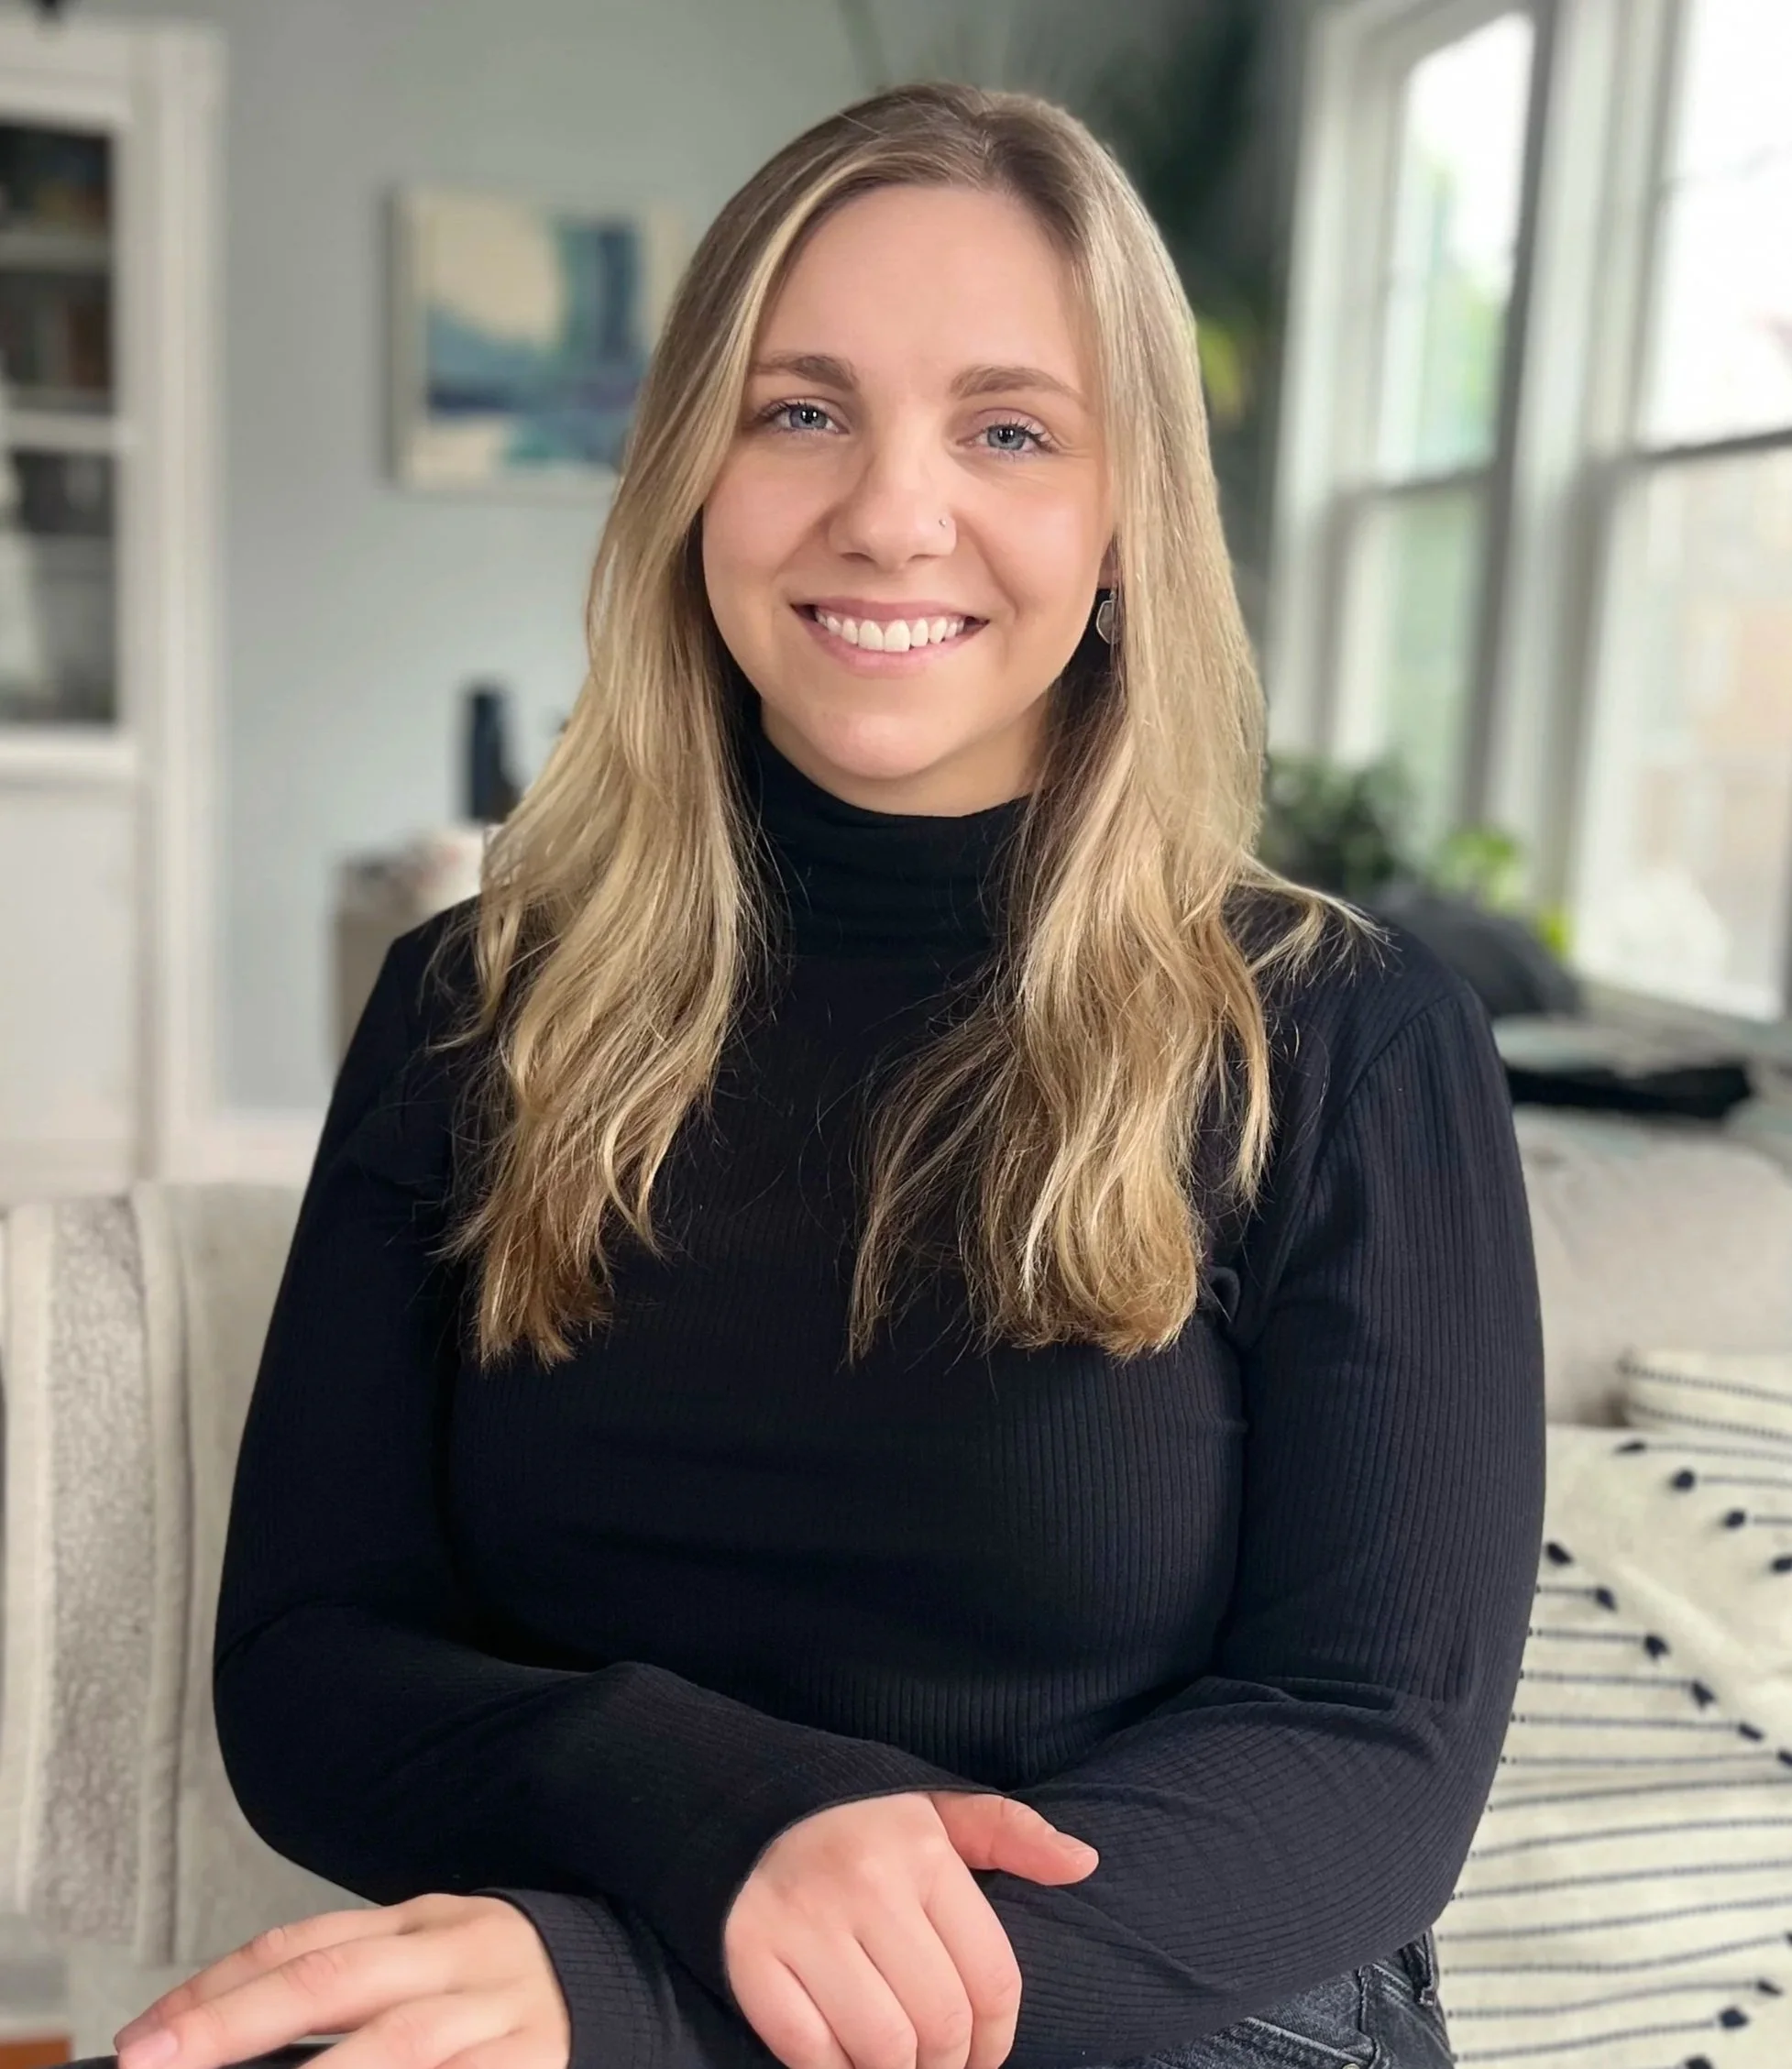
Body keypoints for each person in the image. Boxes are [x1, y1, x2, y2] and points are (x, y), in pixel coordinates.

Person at [120, 81, 1545, 2069]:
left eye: (1008, 430)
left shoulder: (1341, 1035)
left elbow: (1367, 1754)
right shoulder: (475, 1004)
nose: (888, 508)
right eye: (800, 410)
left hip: (1149, 2018)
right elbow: (307, 1669)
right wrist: (716, 1809)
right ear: (690, 469)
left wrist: (659, 1999)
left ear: (1125, 515)